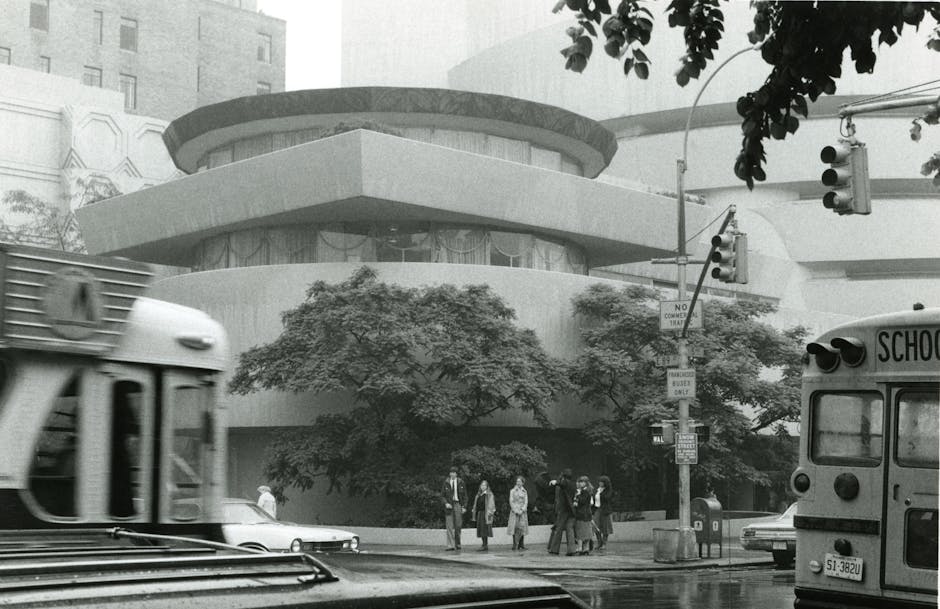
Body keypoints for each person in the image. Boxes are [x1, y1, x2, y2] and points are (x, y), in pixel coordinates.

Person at [547, 469, 577, 556]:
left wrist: (555, 482)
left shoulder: (565, 483)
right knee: (569, 529)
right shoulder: (572, 484)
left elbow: (562, 484)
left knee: (558, 529)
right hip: (571, 510)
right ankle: (571, 550)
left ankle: (554, 549)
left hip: (564, 510)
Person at [441, 466, 467, 551]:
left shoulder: (461, 482)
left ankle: (457, 544)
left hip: (458, 505)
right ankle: (450, 545)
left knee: (458, 525)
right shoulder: (446, 482)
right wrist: (446, 503)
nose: (452, 474)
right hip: (449, 506)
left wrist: (464, 506)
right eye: (451, 472)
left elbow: (465, 496)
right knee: (449, 526)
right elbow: (442, 496)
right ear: (449, 473)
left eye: (454, 472)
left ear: (456, 474)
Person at [471, 480, 496, 551]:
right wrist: (474, 510)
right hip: (480, 513)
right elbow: (476, 504)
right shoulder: (478, 495)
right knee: (481, 529)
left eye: (484, 485)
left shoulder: (489, 494)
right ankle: (483, 544)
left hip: (486, 514)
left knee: (485, 529)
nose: (483, 487)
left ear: (487, 486)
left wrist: (490, 512)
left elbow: (491, 504)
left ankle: (485, 545)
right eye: (482, 485)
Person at [573, 476, 594, 555]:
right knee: (587, 532)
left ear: (586, 483)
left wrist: (577, 496)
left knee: (580, 532)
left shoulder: (585, 491)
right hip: (587, 514)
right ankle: (586, 548)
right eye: (580, 481)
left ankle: (580, 548)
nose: (580, 483)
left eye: (582, 482)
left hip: (582, 514)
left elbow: (582, 501)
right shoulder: (587, 491)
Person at [507, 476, 529, 551]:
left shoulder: (524, 491)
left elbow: (526, 501)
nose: (518, 483)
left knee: (522, 527)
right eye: (517, 481)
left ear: (523, 483)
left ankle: (521, 544)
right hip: (515, 512)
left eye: (520, 481)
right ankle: (515, 544)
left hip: (522, 512)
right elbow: (511, 501)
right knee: (515, 527)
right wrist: (516, 510)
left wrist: (522, 509)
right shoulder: (512, 491)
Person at [593, 475, 614, 550]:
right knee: (596, 526)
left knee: (605, 527)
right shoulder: (598, 490)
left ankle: (604, 543)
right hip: (598, 509)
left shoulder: (608, 490)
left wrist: (601, 493)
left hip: (605, 510)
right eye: (599, 482)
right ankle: (599, 542)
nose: (600, 483)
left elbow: (607, 498)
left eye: (602, 482)